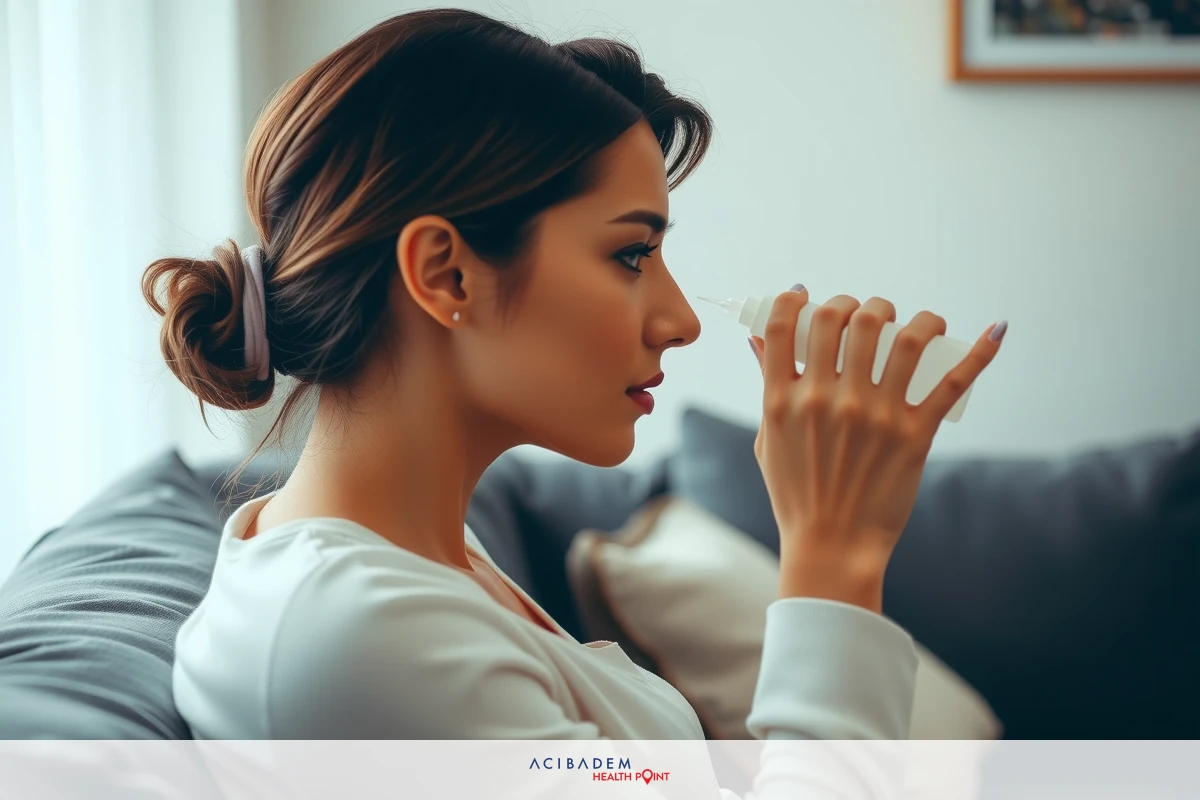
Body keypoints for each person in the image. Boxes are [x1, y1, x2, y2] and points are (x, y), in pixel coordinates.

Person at [142, 7, 1006, 796]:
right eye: (632, 255)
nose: (677, 320)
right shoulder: (352, 633)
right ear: (445, 274)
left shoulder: (422, 570)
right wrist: (834, 558)